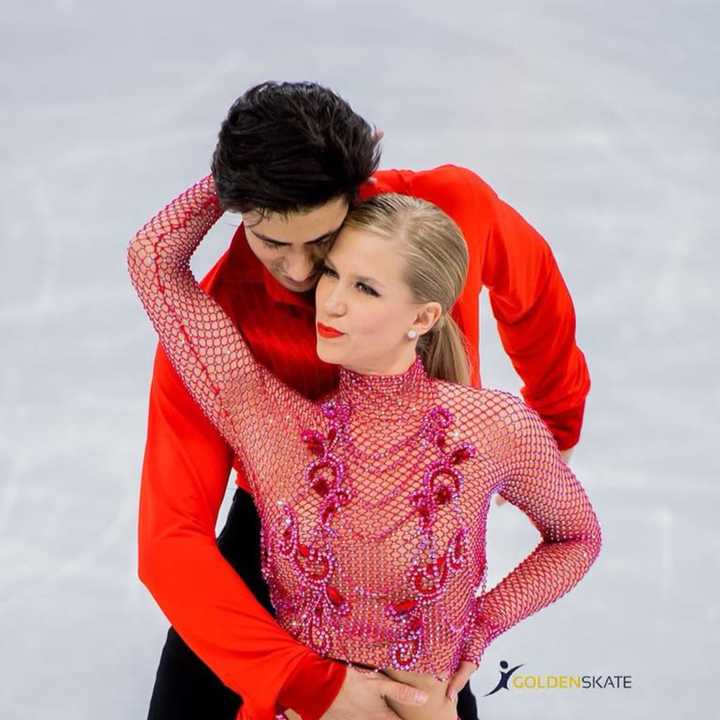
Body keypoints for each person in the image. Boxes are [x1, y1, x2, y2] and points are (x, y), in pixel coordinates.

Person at [136, 82, 592, 720]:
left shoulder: (443, 216)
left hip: (421, 576)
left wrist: (555, 422)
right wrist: (304, 682)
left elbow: (534, 289)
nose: (299, 274)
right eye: (272, 242)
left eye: (320, 246)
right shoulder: (215, 326)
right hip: (280, 529)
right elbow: (171, 535)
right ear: (240, 214)